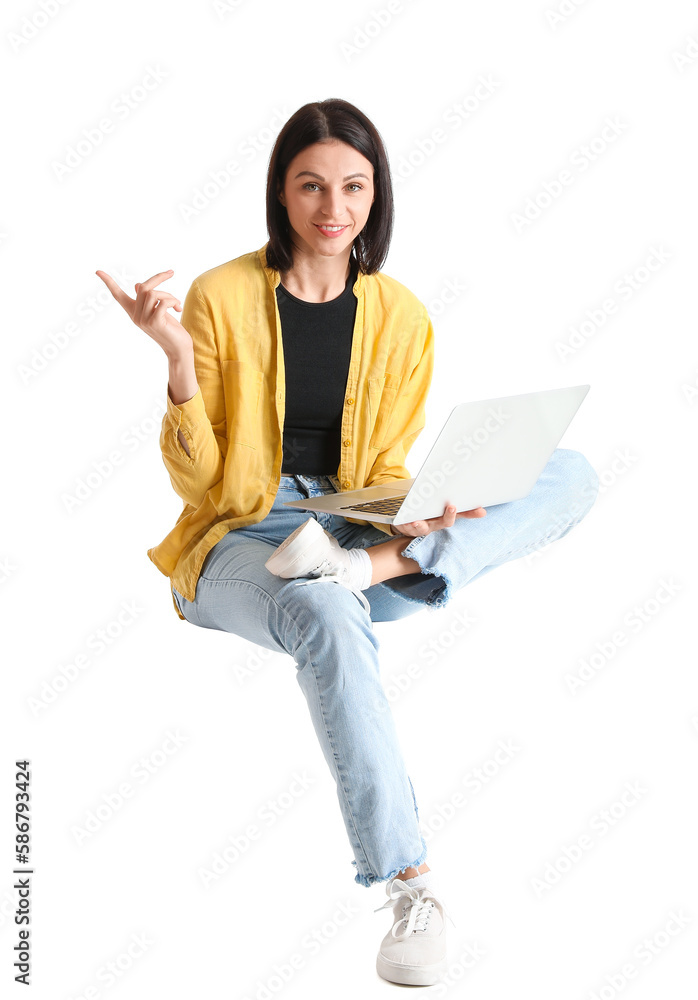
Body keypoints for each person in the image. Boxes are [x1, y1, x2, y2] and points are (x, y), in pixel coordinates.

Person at [96, 97, 599, 988]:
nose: (334, 207)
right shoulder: (219, 296)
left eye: (354, 187)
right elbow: (201, 485)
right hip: (240, 535)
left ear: (378, 194)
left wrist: (413, 517)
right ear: (280, 194)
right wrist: (175, 360)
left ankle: (370, 566)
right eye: (312, 186)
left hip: (355, 524)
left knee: (572, 472)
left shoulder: (402, 314)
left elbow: (385, 463)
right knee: (324, 610)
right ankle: (410, 883)